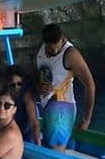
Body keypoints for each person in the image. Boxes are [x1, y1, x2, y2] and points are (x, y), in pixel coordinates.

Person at [35, 23, 96, 151]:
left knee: (56, 150)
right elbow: (36, 70)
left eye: (57, 48)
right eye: (50, 50)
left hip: (61, 107)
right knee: (49, 145)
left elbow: (90, 84)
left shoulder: (71, 54)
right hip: (46, 103)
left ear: (62, 38)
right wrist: (38, 86)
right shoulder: (40, 48)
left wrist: (87, 119)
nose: (54, 52)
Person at [0, 65, 41, 144]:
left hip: (26, 122)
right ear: (7, 84)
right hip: (9, 123)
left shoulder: (26, 94)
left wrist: (38, 147)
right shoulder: (1, 87)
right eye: (13, 85)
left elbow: (34, 123)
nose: (16, 87)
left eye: (19, 84)